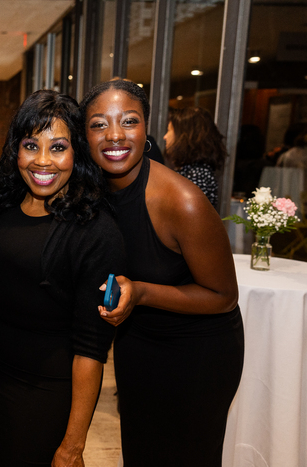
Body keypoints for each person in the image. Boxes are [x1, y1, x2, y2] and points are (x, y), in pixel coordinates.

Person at [80, 79, 244, 467]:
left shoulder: (182, 201)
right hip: (138, 341)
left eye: (129, 121)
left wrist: (141, 292)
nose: (115, 135)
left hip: (198, 353)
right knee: (141, 450)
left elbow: (224, 296)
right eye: (99, 124)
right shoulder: (95, 187)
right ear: (83, 135)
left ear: (147, 128)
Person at [0, 90, 125, 467]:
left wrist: (73, 446)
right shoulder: (2, 205)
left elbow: (92, 349)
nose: (42, 161)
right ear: (15, 150)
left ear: (77, 154)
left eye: (58, 147)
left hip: (50, 391)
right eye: (30, 145)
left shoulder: (95, 230)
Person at [163, 106, 226, 207]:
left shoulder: (197, 176)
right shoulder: (192, 171)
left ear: (184, 136)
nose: (165, 136)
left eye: (169, 130)